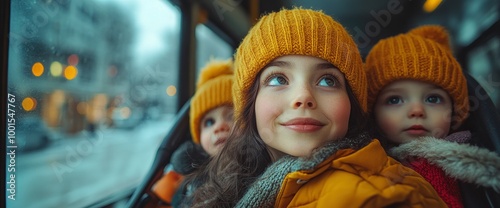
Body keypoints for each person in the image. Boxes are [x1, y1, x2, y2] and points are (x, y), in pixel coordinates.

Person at [183, 8, 447, 208]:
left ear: (353, 104)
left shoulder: (375, 193)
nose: (303, 97)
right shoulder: (227, 178)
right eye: (278, 79)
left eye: (327, 80)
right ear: (249, 104)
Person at [365, 25, 500, 208]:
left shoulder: (479, 154)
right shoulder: (365, 163)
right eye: (395, 99)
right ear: (372, 113)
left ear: (454, 111)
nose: (417, 111)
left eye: (433, 98)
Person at [151, 59, 234, 207]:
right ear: (198, 136)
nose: (219, 126)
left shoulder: (257, 167)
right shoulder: (188, 176)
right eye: (209, 122)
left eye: (232, 116)